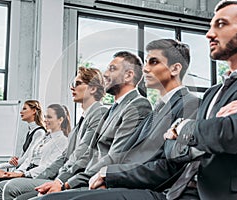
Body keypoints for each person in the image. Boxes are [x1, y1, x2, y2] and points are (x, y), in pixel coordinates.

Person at [24, 38, 200, 200]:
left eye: (153, 62)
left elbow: (170, 166)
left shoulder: (190, 105)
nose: (145, 68)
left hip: (159, 191)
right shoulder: (157, 110)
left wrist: (110, 176)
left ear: (176, 68)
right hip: (127, 182)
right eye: (145, 62)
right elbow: (129, 156)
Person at [0, 51, 152, 199]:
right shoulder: (111, 110)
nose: (105, 74)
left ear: (129, 75)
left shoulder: (138, 105)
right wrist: (58, 180)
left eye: (112, 69)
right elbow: (85, 153)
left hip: (97, 181)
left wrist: (66, 183)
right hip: (83, 177)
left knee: (21, 194)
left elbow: (113, 157)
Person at [166, 1, 237, 199]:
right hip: (183, 191)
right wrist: (208, 129)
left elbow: (228, 134)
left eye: (221, 24)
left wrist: (180, 128)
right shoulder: (212, 92)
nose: (209, 34)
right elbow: (176, 151)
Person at [0, 67, 108, 200]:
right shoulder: (84, 117)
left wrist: (59, 181)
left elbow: (83, 155)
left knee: (10, 189)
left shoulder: (99, 113)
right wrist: (37, 177)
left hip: (77, 180)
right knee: (3, 187)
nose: (72, 88)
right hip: (62, 176)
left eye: (77, 84)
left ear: (93, 88)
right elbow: (64, 157)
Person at [0, 100, 46, 199]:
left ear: (34, 111)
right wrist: (14, 160)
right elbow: (20, 159)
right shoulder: (30, 132)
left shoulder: (39, 132)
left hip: (24, 174)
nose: (21, 112)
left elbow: (24, 161)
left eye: (24, 109)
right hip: (18, 170)